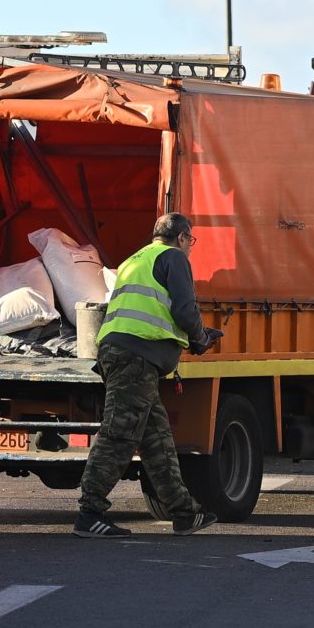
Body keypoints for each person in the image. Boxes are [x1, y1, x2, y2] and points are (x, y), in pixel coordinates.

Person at [75, 212, 222, 537]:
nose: (190, 248)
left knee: (156, 440)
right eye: (191, 241)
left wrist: (193, 337)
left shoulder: (134, 260)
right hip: (136, 357)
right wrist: (200, 338)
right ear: (183, 237)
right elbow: (184, 310)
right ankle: (90, 513)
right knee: (119, 434)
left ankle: (184, 513)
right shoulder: (174, 258)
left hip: (120, 352)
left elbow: (149, 310)